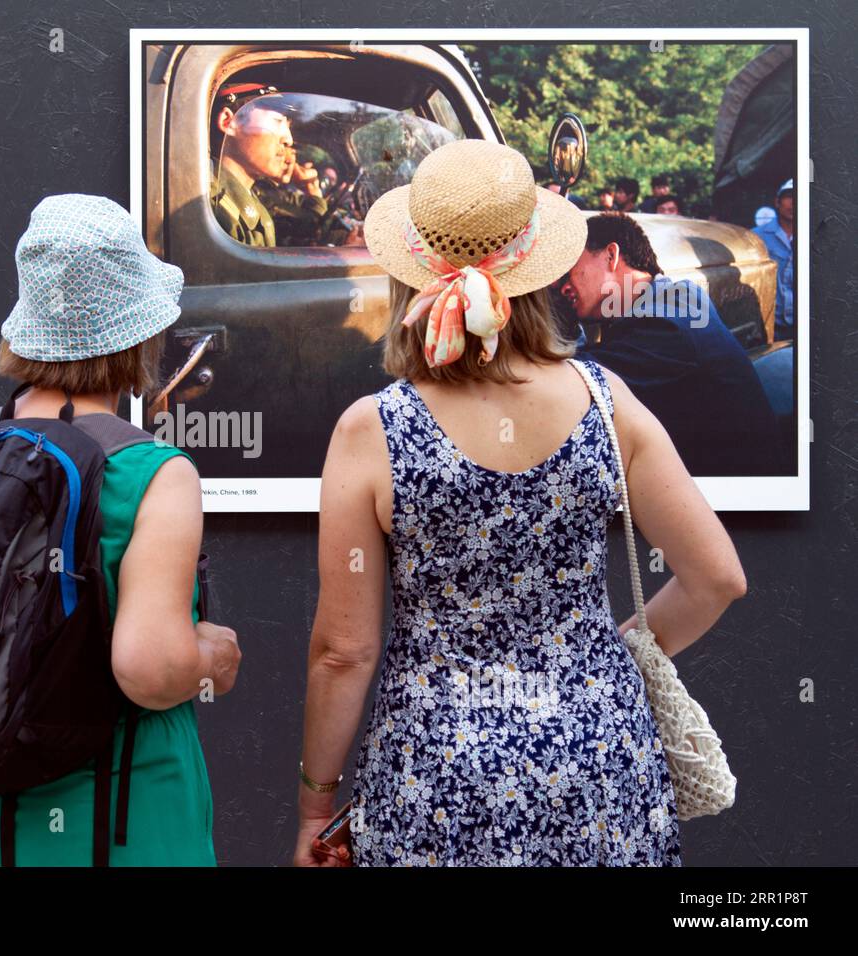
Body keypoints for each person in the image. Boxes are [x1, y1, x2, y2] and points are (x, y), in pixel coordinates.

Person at [294, 140, 746, 867]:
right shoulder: (608, 402)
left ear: (413, 276)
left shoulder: (371, 430)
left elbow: (345, 652)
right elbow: (718, 578)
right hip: (601, 764)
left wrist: (316, 807)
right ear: (540, 274)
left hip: (433, 780)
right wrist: (612, 652)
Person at [0, 194, 241, 866]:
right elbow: (150, 670)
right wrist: (212, 658)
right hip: (115, 830)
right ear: (139, 334)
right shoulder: (153, 472)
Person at [562, 212, 783, 476]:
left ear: (612, 255)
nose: (562, 286)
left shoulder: (665, 326)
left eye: (569, 269)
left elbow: (572, 383)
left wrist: (554, 320)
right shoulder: (675, 301)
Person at [209, 93, 300, 247]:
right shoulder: (210, 207)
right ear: (229, 122)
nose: (288, 139)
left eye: (288, 125)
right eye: (277, 121)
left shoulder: (252, 199)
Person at [753, 179, 794, 341]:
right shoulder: (756, 237)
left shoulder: (813, 235)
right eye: (789, 196)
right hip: (769, 326)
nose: (793, 202)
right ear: (777, 201)